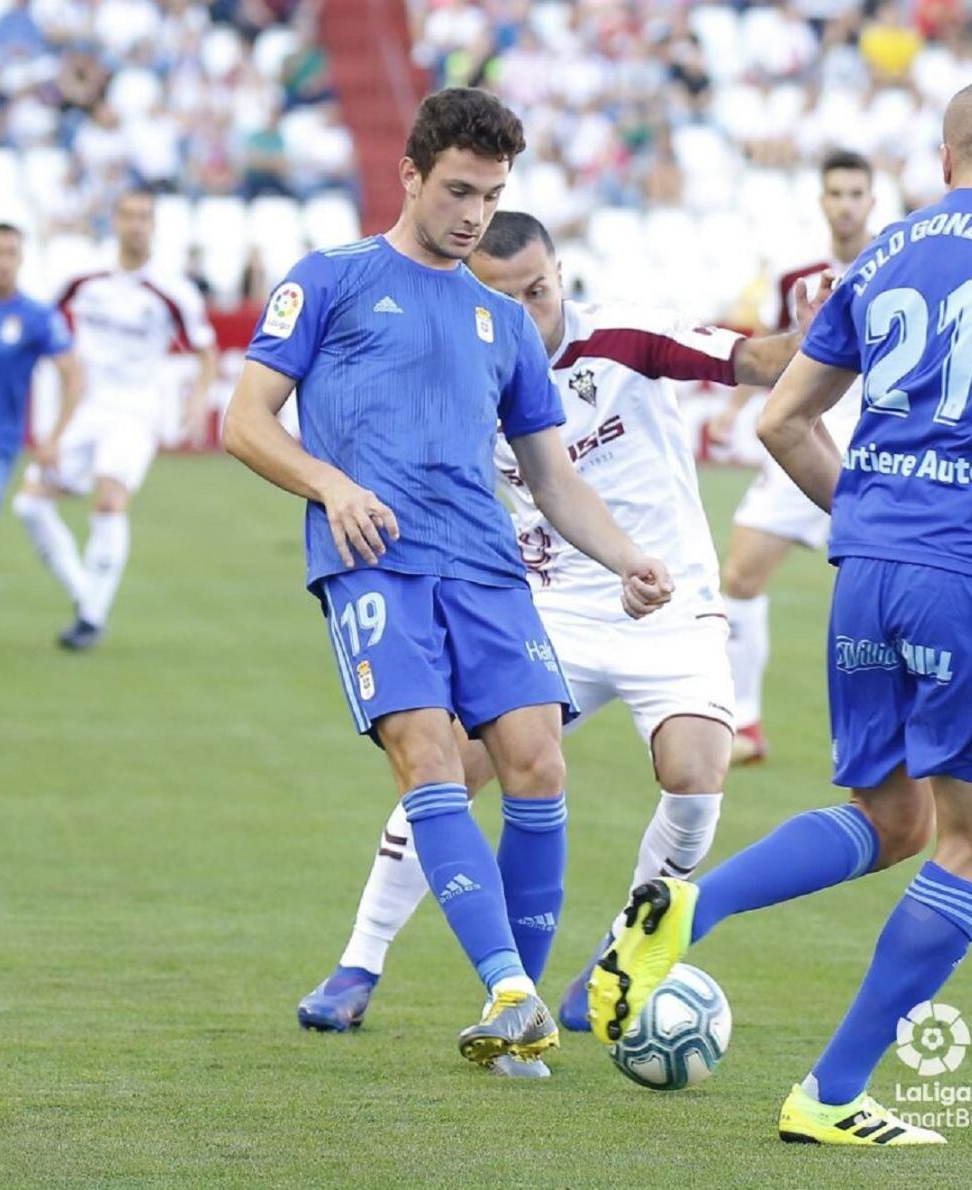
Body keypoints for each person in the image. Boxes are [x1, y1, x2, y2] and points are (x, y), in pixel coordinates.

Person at [587, 79, 972, 1147]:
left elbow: (783, 418)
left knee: (895, 819)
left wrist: (881, 514)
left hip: (867, 567)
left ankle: (689, 906)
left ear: (942, 161)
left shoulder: (885, 250)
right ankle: (832, 1089)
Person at [297, 210, 829, 1063]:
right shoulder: (457, 356)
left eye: (540, 291)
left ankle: (622, 954)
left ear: (559, 275)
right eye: (507, 298)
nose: (530, 315)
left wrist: (817, 331)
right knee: (449, 769)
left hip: (667, 602)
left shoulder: (622, 335)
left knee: (697, 774)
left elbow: (756, 361)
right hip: (543, 608)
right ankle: (359, 964)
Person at [222, 89, 673, 1074]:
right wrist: (329, 482)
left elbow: (552, 474)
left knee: (539, 764)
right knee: (428, 758)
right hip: (375, 558)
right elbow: (246, 420)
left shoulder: (501, 321)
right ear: (412, 177)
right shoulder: (330, 279)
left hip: (486, 564)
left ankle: (516, 1025)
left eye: (493, 194)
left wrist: (626, 555)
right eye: (460, 190)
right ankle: (513, 988)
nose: (475, 213)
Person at [710, 150, 876, 762]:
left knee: (894, 581)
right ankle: (746, 723)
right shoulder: (798, 278)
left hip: (872, 444)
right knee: (742, 574)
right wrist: (733, 407)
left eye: (856, 193)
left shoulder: (897, 262)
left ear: (872, 200)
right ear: (822, 200)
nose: (846, 203)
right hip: (802, 436)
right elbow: (793, 355)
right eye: (836, 192)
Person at [14, 189, 217, 650]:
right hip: (84, 408)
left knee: (109, 499)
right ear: (115, 222)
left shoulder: (171, 290)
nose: (136, 225)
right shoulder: (83, 280)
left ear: (154, 225)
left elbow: (206, 351)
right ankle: (88, 595)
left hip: (134, 411)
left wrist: (197, 400)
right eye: (128, 216)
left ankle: (89, 619)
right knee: (29, 504)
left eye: (144, 217)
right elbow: (40, 324)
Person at [0, 223, 80, 657]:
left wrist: (53, 437)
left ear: (20, 257)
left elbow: (73, 376)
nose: (2, 260)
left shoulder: (36, 317)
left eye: (10, 252)